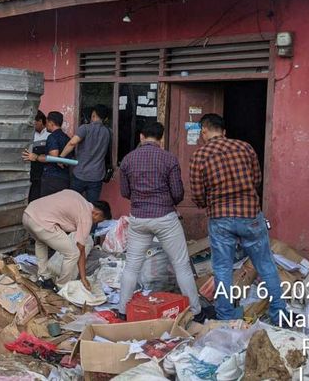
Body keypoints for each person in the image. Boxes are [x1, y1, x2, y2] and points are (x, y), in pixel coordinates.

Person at [189, 113, 288, 326]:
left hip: (220, 217)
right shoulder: (245, 147)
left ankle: (225, 316)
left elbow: (197, 194)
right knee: (265, 265)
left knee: (223, 268)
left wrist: (211, 201)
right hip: (250, 214)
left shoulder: (200, 155)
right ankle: (280, 314)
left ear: (204, 131)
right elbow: (257, 179)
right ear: (224, 131)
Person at [117, 122, 208, 322]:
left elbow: (124, 192)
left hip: (139, 218)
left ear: (141, 136)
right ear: (161, 138)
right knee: (181, 265)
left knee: (132, 266)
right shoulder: (169, 159)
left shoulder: (128, 160)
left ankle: (122, 310)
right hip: (165, 217)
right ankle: (196, 311)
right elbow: (177, 193)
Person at [22, 189, 111, 290]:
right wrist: (83, 278)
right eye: (98, 221)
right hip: (43, 222)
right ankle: (62, 285)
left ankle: (43, 277)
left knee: (41, 241)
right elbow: (80, 249)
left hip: (28, 214)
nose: (95, 223)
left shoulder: (77, 197)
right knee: (73, 254)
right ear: (96, 214)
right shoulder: (87, 216)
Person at [59, 104, 111, 202]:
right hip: (97, 176)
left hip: (80, 173)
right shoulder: (107, 132)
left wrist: (61, 157)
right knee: (92, 206)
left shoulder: (85, 128)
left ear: (94, 115)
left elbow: (72, 142)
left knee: (72, 203)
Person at [22, 111, 70, 197]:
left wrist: (36, 157)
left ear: (51, 123)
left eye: (47, 122)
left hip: (52, 179)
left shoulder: (52, 137)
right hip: (64, 178)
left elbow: (53, 157)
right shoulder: (67, 138)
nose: (46, 124)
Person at [28, 110, 50, 202]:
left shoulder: (50, 135)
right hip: (33, 173)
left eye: (34, 123)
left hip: (46, 174)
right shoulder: (30, 135)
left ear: (40, 121)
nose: (33, 125)